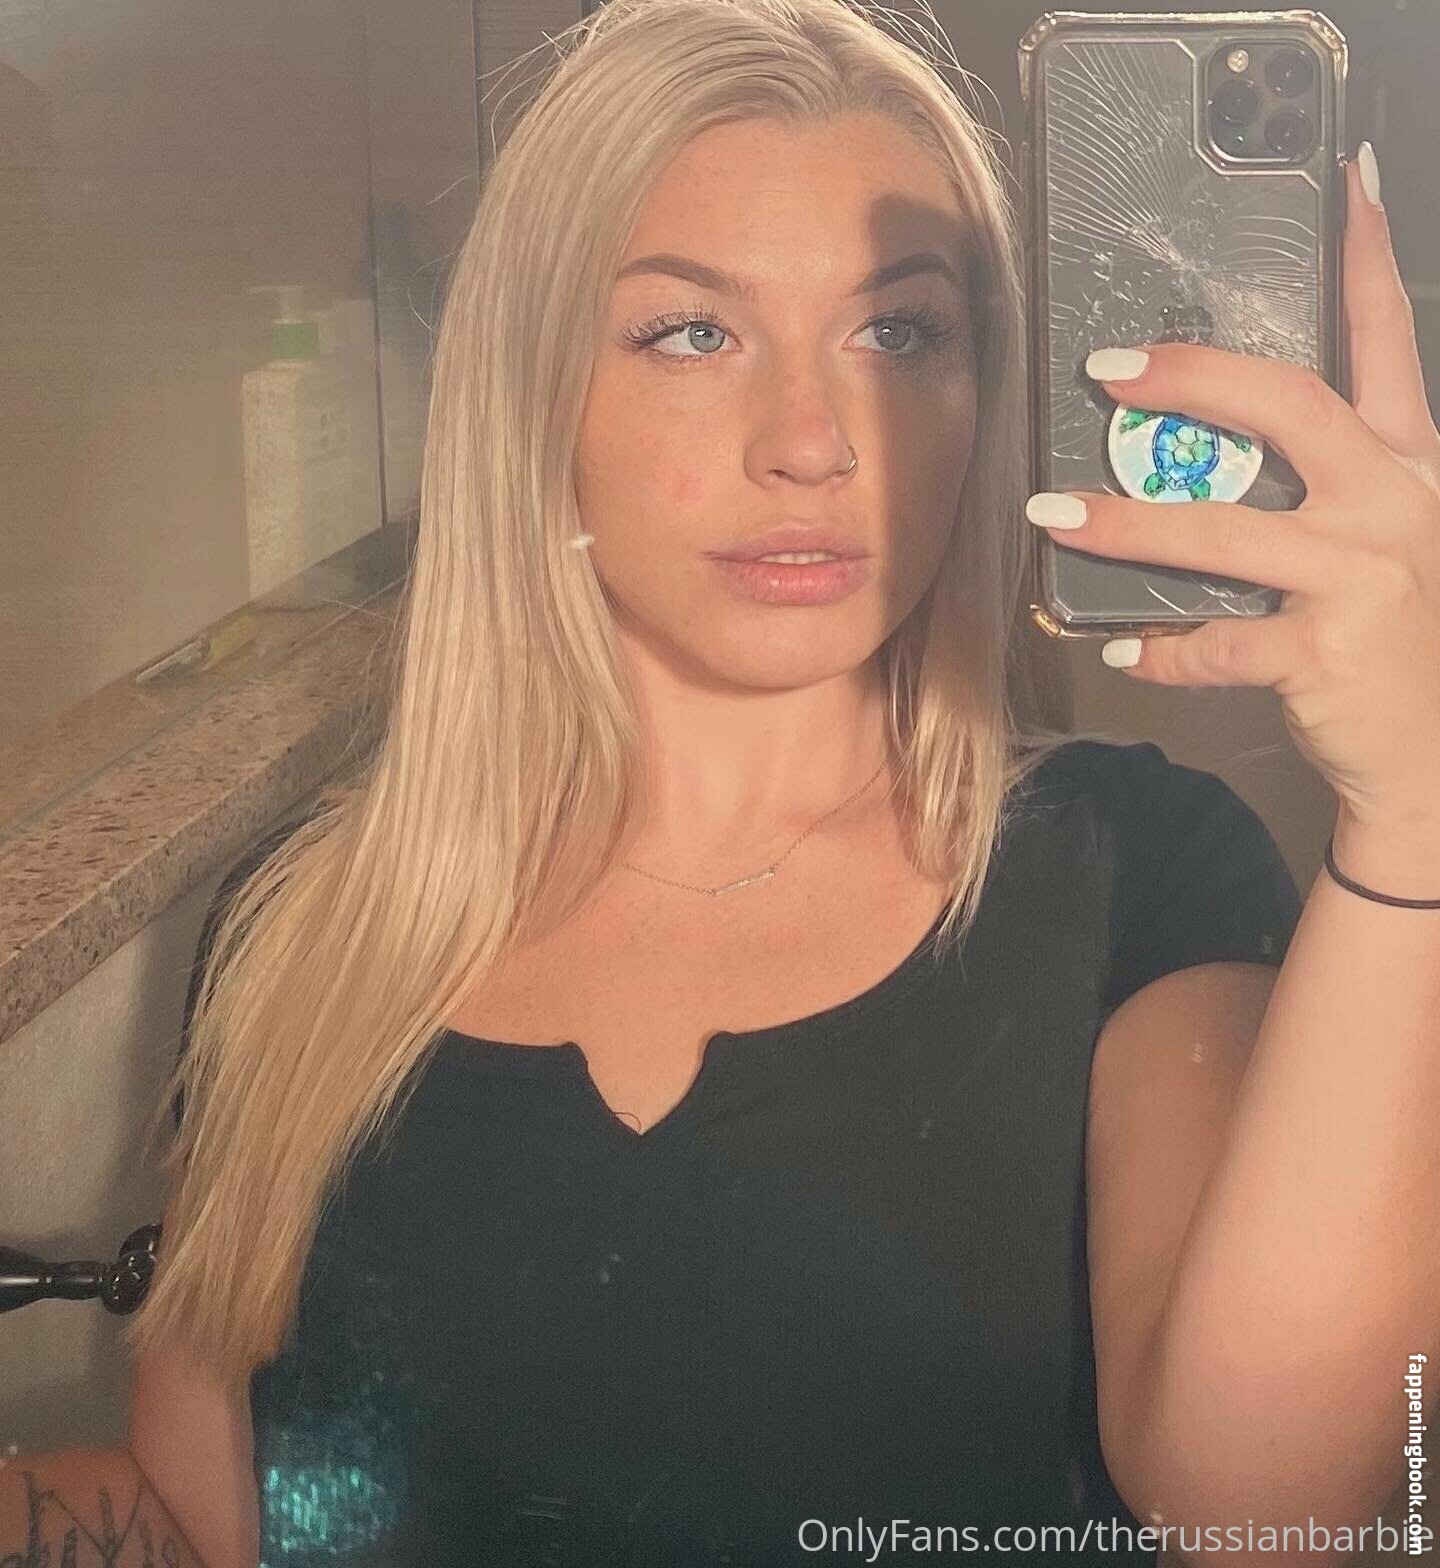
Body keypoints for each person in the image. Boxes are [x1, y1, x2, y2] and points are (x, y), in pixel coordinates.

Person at [10, 0, 1355, 1563]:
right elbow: (206, 1522)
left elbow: (1280, 1519)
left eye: (899, 332)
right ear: (538, 396)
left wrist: (1413, 824)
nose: (812, 441)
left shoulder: (1145, 875)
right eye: (693, 333)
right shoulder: (305, 927)